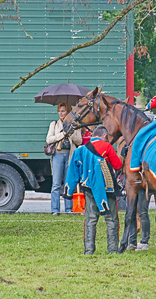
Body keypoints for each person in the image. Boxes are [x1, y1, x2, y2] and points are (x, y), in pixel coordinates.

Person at [64, 126, 122, 254]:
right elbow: (118, 165)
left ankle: (89, 250)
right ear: (104, 136)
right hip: (108, 190)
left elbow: (74, 172)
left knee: (90, 220)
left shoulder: (82, 150)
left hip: (89, 189)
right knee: (111, 219)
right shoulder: (107, 147)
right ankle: (112, 249)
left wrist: (68, 191)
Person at [46, 102, 82, 216]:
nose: (61, 113)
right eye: (59, 111)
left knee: (69, 182)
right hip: (57, 154)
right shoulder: (54, 124)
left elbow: (79, 141)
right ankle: (55, 209)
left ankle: (68, 209)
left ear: (68, 112)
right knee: (56, 183)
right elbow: (49, 139)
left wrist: (70, 133)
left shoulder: (75, 125)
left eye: (63, 111)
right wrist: (63, 134)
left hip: (69, 155)